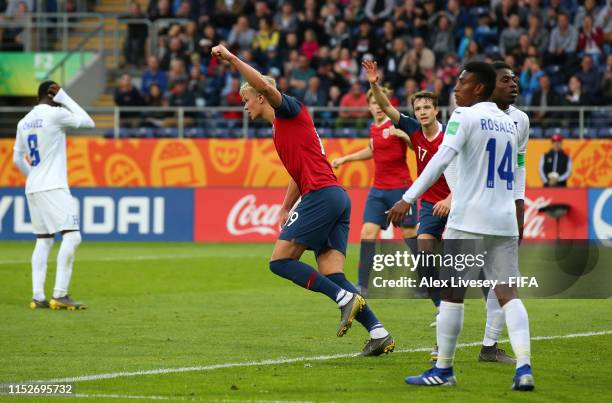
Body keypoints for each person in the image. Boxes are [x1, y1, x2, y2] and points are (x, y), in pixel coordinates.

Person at [211, 44, 394, 356]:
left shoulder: (289, 110)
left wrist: (231, 59)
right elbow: (298, 174)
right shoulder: (281, 130)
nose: (244, 108)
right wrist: (285, 205)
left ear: (258, 95)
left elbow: (266, 85)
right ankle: (379, 332)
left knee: (280, 261)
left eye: (246, 100)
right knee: (333, 273)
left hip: (322, 196)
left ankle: (344, 300)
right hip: (336, 197)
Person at [388, 62, 534, 391]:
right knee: (508, 294)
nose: (456, 88)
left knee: (452, 296)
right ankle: (524, 367)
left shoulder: (463, 116)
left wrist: (408, 197)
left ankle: (443, 370)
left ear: (478, 88)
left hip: (468, 220)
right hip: (504, 220)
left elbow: (441, 158)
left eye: (462, 82)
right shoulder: (511, 123)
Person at [12, 81, 95, 310]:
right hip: (53, 186)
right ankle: (60, 294)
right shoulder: (55, 115)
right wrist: (65, 98)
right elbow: (88, 122)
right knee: (72, 237)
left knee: (44, 240)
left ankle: (38, 297)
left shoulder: (23, 122)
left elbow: (17, 159)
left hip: (33, 186)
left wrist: (34, 177)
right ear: (52, 93)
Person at [331, 84, 418, 297]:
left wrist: (403, 135)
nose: (378, 107)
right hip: (378, 191)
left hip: (401, 190)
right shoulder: (374, 128)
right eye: (373, 103)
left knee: (409, 235)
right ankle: (362, 285)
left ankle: (424, 281)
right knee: (367, 233)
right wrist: (345, 158)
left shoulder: (397, 123)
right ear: (369, 106)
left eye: (381, 104)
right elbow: (372, 150)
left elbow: (415, 146)